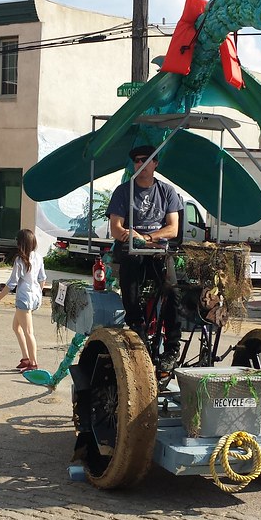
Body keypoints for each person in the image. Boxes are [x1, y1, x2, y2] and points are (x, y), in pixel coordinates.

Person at [106, 145, 183, 373]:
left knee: (173, 291)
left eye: (145, 160)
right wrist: (135, 238)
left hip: (158, 250)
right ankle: (138, 329)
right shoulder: (123, 192)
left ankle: (172, 348)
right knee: (131, 275)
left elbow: (173, 229)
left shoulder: (167, 192)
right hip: (131, 250)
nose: (140, 164)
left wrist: (147, 237)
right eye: (136, 161)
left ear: (155, 163)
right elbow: (116, 229)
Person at [0, 228, 46, 370]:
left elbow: (12, 283)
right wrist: (38, 293)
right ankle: (25, 358)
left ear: (21, 243)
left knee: (28, 332)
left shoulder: (20, 260)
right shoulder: (38, 257)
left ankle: (33, 364)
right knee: (16, 327)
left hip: (24, 298)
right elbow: (42, 279)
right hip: (34, 298)